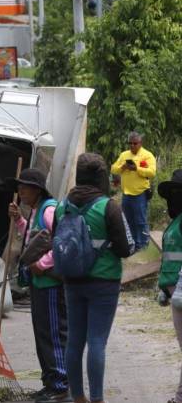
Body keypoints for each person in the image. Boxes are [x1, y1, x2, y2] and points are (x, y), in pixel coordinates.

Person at [56, 153, 134, 403]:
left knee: (74, 342)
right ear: (100, 177)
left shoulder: (62, 207)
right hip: (104, 281)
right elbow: (124, 249)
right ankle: (98, 399)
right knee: (97, 341)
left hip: (72, 280)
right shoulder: (108, 206)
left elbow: (56, 243)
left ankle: (78, 397)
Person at [8, 168, 71, 403]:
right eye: (19, 187)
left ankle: (61, 384)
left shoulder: (50, 209)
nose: (20, 191)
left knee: (53, 334)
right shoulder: (36, 211)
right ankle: (50, 382)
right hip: (39, 283)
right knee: (43, 334)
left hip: (50, 284)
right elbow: (34, 239)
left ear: (37, 190)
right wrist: (18, 220)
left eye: (24, 187)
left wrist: (42, 264)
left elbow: (62, 242)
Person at [156, 170, 182, 403]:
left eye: (178, 192)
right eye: (172, 193)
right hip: (174, 292)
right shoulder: (176, 221)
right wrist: (163, 287)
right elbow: (170, 258)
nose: (173, 197)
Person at [111, 131, 156, 251]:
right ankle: (133, 245)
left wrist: (137, 169)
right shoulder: (124, 155)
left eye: (135, 143)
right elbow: (113, 169)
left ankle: (143, 246)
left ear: (140, 143)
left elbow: (152, 172)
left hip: (140, 193)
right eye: (130, 143)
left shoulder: (147, 155)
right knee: (128, 220)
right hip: (126, 193)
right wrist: (122, 167)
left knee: (140, 220)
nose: (132, 146)